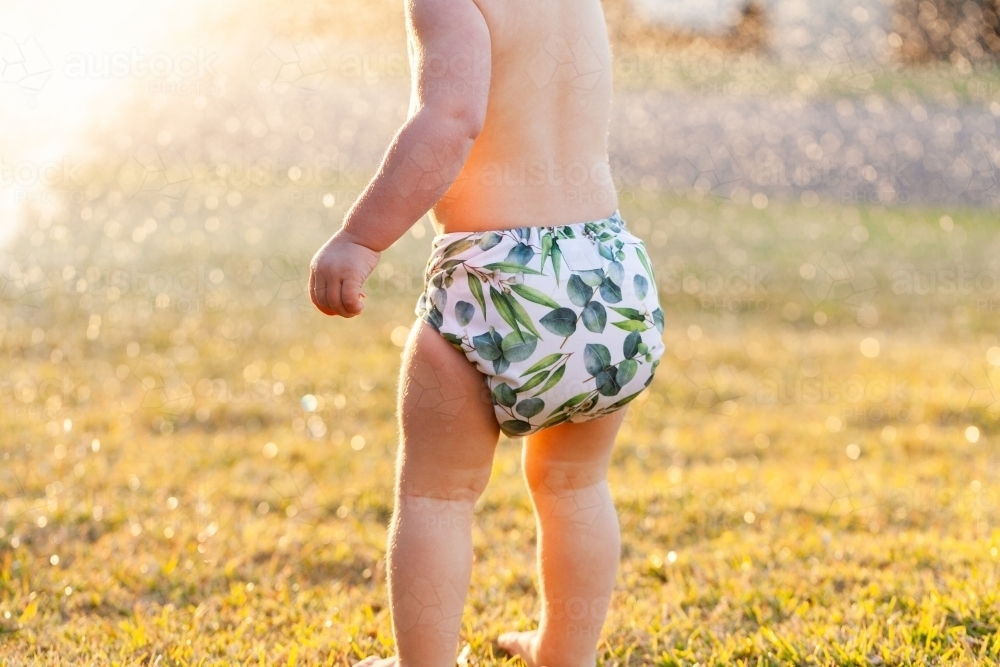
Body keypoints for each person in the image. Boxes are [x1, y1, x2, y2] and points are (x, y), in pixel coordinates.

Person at [308, 0, 665, 664]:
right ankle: (566, 652)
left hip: (500, 275)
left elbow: (450, 122)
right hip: (608, 273)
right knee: (576, 484)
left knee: (437, 493)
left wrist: (360, 239)